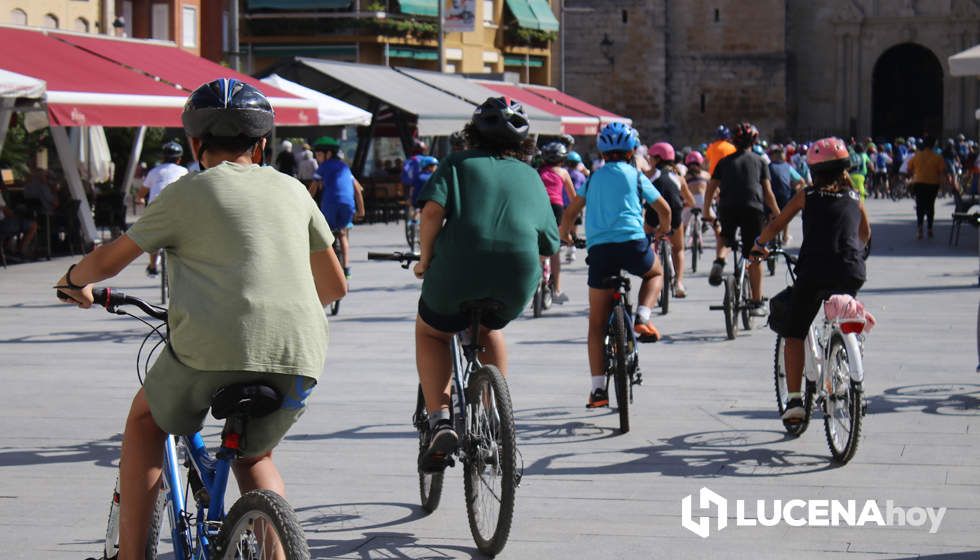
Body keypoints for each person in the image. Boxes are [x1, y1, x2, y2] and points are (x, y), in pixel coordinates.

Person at [54, 78, 347, 559]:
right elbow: (334, 287)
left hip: (211, 347)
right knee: (255, 454)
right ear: (262, 143)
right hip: (300, 354)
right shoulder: (294, 190)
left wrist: (73, 280)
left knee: (146, 422)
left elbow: (109, 260)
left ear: (194, 143)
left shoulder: (187, 192)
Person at [413, 97, 559, 470]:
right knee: (491, 326)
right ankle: (495, 417)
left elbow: (431, 211)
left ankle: (440, 420)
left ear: (472, 132)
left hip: (457, 268)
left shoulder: (457, 163)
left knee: (432, 332)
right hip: (516, 275)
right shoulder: (531, 175)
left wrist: (425, 259)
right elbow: (549, 242)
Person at [751, 137, 870, 422]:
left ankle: (794, 402)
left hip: (814, 272)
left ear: (813, 171)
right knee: (843, 316)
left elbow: (778, 223)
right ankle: (848, 364)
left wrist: (759, 244)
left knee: (794, 331)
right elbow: (864, 235)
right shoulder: (856, 198)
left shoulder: (807, 195)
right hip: (851, 271)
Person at [560, 122, 671, 408]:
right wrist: (662, 230)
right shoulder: (636, 176)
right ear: (632, 150)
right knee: (655, 272)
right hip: (634, 245)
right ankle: (643, 318)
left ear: (602, 151)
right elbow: (664, 209)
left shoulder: (594, 178)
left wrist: (566, 234)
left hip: (600, 251)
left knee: (596, 324)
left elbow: (572, 210)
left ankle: (598, 390)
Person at [704, 122, 781, 316]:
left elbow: (711, 187)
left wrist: (706, 210)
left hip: (727, 206)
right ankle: (756, 302)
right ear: (754, 141)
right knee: (754, 254)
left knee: (725, 235)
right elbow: (768, 192)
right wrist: (778, 214)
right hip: (753, 208)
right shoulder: (760, 161)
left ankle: (719, 261)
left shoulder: (724, 161)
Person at [647, 142, 695, 298]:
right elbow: (690, 200)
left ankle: (652, 272)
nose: (649, 160)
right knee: (678, 249)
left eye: (651, 158)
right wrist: (687, 204)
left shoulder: (650, 174)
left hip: (654, 211)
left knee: (647, 240)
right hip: (674, 212)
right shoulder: (678, 177)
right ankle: (679, 283)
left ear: (658, 159)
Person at [312, 136, 366, 277]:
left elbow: (313, 189)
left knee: (326, 233)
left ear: (328, 154)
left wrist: (305, 201)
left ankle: (329, 264)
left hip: (330, 203)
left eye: (318, 155)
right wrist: (361, 210)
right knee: (342, 233)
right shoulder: (344, 167)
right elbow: (358, 189)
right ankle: (346, 267)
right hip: (348, 204)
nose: (317, 158)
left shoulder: (323, 167)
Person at [136, 140, 187, 276]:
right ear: (179, 159)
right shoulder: (184, 171)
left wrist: (139, 199)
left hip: (156, 210)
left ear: (163, 158)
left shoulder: (154, 172)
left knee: (153, 238)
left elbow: (142, 193)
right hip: (178, 210)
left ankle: (153, 267)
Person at [538, 141, 577, 304]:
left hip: (539, 205)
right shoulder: (563, 172)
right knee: (554, 250)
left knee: (538, 245)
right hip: (556, 208)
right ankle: (557, 290)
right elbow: (574, 197)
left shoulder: (539, 172)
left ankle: (536, 282)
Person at [906, 135, 947, 239]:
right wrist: (943, 186)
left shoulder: (917, 156)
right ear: (934, 145)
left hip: (919, 183)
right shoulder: (938, 157)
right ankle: (929, 229)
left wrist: (914, 175)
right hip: (933, 184)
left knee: (920, 206)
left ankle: (920, 229)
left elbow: (909, 168)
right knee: (930, 206)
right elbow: (942, 172)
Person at [768, 144, 806, 244]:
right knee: (786, 215)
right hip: (785, 195)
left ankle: (771, 236)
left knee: (770, 213)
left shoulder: (769, 167)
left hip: (773, 196)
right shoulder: (787, 167)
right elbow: (801, 181)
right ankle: (785, 236)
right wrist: (793, 187)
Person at [564, 150, 588, 263]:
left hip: (563, 204)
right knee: (574, 227)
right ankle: (571, 248)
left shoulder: (563, 173)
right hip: (576, 204)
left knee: (563, 227)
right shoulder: (581, 175)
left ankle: (565, 244)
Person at [0, 190, 37, 258]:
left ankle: (8, 248)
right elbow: (7, 212)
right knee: (33, 225)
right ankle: (20, 250)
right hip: (3, 224)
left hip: (4, 223)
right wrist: (16, 214)